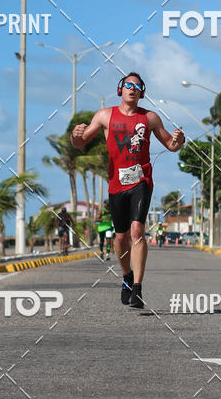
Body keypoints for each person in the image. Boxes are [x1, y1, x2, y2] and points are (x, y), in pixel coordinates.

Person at [71, 73, 184, 309]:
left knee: (137, 231)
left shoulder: (150, 118)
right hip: (116, 184)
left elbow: (171, 146)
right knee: (120, 237)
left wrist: (179, 140)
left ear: (142, 93)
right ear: (120, 89)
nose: (132, 89)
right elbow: (81, 143)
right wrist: (76, 135)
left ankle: (138, 289)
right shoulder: (104, 116)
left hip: (141, 180)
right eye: (128, 85)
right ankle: (127, 277)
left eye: (137, 86)